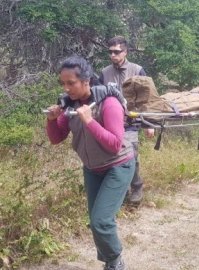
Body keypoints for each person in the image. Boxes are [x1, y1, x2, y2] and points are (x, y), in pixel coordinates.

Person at [46, 56, 134, 270]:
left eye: (71, 83)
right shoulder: (71, 105)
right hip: (93, 169)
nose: (66, 89)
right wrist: (51, 119)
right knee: (96, 222)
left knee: (101, 221)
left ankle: (115, 262)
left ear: (86, 80)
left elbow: (115, 144)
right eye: (63, 84)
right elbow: (56, 138)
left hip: (118, 165)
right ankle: (110, 262)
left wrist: (90, 121)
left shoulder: (109, 103)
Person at [99, 36, 154, 203]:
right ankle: (120, 193)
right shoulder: (105, 72)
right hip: (110, 122)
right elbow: (100, 97)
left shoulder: (137, 70)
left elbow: (148, 99)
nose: (113, 55)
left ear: (125, 52)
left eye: (117, 51)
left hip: (132, 122)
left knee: (131, 157)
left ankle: (136, 188)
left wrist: (149, 124)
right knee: (113, 159)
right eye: (110, 52)